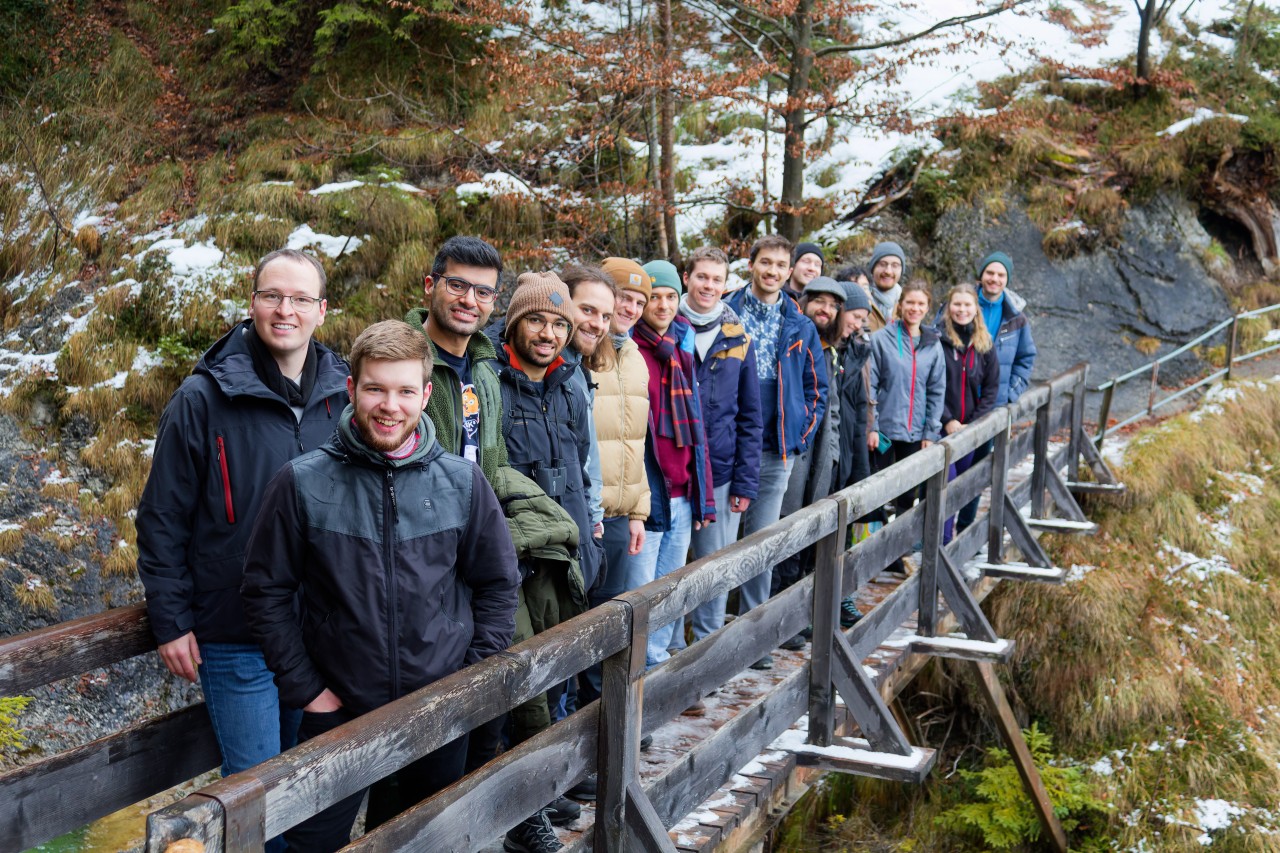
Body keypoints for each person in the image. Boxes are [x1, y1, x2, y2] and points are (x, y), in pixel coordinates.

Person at [240, 320, 519, 853]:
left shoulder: (461, 482)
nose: (390, 405)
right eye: (375, 389)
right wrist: (308, 691)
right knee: (312, 844)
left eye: (405, 391)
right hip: (337, 709)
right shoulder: (303, 481)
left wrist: (466, 678)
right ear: (352, 389)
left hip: (438, 707)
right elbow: (264, 591)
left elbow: (498, 584)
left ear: (425, 394)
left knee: (424, 841)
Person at [136, 249, 348, 852]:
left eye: (300, 299)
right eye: (272, 296)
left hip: (317, 629)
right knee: (253, 794)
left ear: (321, 311)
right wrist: (170, 620)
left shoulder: (343, 392)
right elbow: (162, 516)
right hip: (236, 630)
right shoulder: (204, 397)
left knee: (305, 791)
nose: (285, 310)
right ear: (252, 302)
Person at [724, 235, 827, 670]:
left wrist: (800, 436)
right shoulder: (727, 312)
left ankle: (754, 637)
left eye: (780, 265)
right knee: (722, 544)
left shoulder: (799, 323)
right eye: (765, 262)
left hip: (776, 446)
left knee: (764, 542)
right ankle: (713, 640)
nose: (772, 271)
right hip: (727, 442)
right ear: (751, 265)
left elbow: (816, 389)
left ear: (789, 272)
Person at [672, 246, 762, 668]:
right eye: (702, 276)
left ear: (726, 284)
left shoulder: (738, 336)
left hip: (722, 471)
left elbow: (750, 415)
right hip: (674, 467)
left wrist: (746, 482)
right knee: (672, 568)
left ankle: (709, 652)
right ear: (686, 277)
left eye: (716, 279)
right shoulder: (669, 327)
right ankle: (670, 652)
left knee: (715, 566)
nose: (709, 285)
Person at [631, 259, 715, 668]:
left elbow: (698, 429)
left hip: (683, 490)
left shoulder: (684, 343)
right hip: (648, 493)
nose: (662, 306)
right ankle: (636, 675)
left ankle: (658, 663)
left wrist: (703, 496)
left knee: (670, 588)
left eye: (669, 297)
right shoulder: (629, 347)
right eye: (653, 297)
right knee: (642, 591)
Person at [578, 258, 651, 696]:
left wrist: (638, 510)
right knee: (582, 627)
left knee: (612, 628)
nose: (631, 309)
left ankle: (608, 723)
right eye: (625, 297)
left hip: (622, 514)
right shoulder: (586, 356)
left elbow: (632, 440)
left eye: (639, 302)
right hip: (590, 512)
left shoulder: (634, 355)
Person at [773, 276, 846, 649]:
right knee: (785, 531)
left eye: (833, 306)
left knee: (806, 538)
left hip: (819, 454)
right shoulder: (797, 336)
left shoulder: (830, 349)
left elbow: (829, 406)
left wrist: (831, 455)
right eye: (819, 301)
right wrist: (799, 438)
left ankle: (794, 619)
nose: (826, 310)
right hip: (795, 448)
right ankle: (777, 622)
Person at [867, 280, 946, 538]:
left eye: (920, 303)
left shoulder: (933, 344)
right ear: (900, 305)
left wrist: (930, 432)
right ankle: (873, 548)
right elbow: (871, 386)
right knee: (877, 492)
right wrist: (873, 426)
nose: (914, 308)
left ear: (927, 308)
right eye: (910, 302)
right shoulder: (881, 340)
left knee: (906, 494)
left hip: (915, 433)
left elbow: (936, 390)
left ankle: (898, 547)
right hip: (885, 432)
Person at [937, 283, 1000, 540]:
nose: (962, 310)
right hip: (943, 427)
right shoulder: (937, 340)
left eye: (967, 305)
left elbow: (991, 389)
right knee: (945, 485)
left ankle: (957, 538)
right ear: (949, 307)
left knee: (964, 485)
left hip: (971, 429)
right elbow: (929, 385)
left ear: (976, 309)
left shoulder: (984, 344)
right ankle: (941, 543)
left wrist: (973, 424)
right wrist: (948, 419)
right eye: (957, 304)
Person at [832, 279, 874, 627]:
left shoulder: (856, 351)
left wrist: (861, 469)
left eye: (863, 319)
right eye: (856, 316)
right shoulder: (830, 349)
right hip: (826, 452)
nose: (859, 324)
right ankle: (809, 606)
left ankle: (840, 596)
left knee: (843, 529)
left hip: (848, 448)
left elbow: (860, 410)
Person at [975, 251, 1037, 406]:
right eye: (990, 273)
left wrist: (1010, 393)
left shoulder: (1016, 318)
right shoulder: (960, 307)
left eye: (1001, 275)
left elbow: (1026, 358)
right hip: (960, 405)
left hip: (997, 405)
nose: (994, 279)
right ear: (981, 275)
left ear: (1007, 279)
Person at [866, 241, 906, 333]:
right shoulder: (861, 299)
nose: (888, 271)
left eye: (895, 266)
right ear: (873, 268)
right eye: (882, 264)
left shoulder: (906, 304)